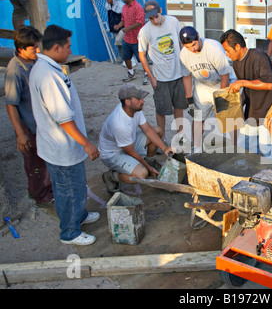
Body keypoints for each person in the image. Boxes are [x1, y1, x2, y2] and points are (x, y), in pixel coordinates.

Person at [29, 25, 100, 246]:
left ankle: (78, 216)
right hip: (62, 147)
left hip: (65, 146)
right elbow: (64, 119)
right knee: (67, 190)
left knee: (76, 186)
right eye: (68, 46)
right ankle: (69, 232)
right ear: (57, 47)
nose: (71, 50)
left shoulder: (51, 67)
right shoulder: (48, 76)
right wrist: (87, 144)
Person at [4, 26, 53, 208]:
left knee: (46, 159)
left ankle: (48, 189)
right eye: (34, 48)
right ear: (21, 49)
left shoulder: (35, 61)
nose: (38, 50)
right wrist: (20, 133)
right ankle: (40, 195)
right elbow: (11, 105)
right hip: (30, 127)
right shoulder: (15, 71)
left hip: (43, 124)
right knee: (35, 164)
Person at [99, 84, 175, 194]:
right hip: (112, 154)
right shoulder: (119, 125)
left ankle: (150, 160)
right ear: (127, 101)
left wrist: (164, 148)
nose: (142, 101)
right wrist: (148, 168)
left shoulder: (134, 109)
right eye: (139, 99)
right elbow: (131, 152)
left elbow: (148, 130)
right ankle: (111, 176)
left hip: (129, 143)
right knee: (142, 174)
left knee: (157, 131)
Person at [220, 29, 272, 163]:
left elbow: (268, 84)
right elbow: (246, 88)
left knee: (267, 151)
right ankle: (248, 174)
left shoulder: (259, 56)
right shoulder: (236, 62)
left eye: (228, 50)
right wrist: (234, 106)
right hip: (253, 108)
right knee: (245, 146)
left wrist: (241, 82)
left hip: (269, 110)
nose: (227, 54)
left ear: (237, 46)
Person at [138, 0, 187, 142]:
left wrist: (185, 64)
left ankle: (181, 136)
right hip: (160, 77)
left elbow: (180, 43)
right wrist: (151, 77)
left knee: (179, 106)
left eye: (156, 16)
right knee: (161, 110)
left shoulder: (173, 22)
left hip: (178, 74)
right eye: (150, 18)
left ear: (161, 11)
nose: (154, 20)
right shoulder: (145, 31)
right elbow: (142, 55)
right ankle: (162, 138)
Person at [179, 26, 235, 152]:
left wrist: (221, 97)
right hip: (202, 84)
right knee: (198, 116)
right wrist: (189, 99)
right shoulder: (183, 55)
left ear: (198, 37)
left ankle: (233, 147)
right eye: (188, 47)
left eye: (193, 44)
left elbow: (225, 75)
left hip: (222, 82)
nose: (192, 49)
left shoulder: (213, 48)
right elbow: (187, 77)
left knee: (227, 118)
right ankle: (197, 148)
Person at [113, 0, 146, 83]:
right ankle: (131, 73)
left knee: (142, 59)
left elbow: (140, 22)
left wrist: (128, 29)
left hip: (137, 38)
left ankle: (147, 75)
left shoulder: (138, 7)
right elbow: (123, 19)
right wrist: (119, 25)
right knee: (126, 57)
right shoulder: (124, 7)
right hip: (127, 38)